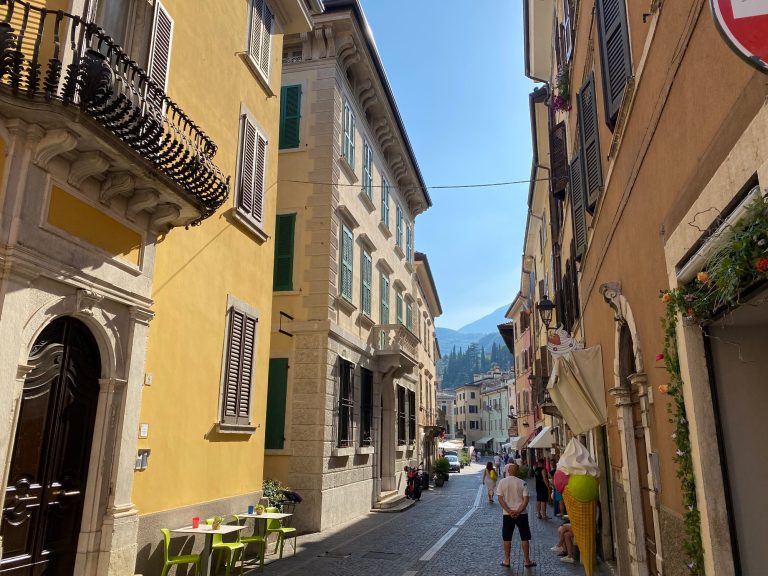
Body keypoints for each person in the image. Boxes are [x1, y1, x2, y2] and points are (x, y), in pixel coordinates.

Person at [497, 463, 536, 568]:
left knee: (507, 538)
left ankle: (506, 560)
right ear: (518, 471)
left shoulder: (502, 482)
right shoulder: (523, 483)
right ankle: (527, 561)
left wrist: (509, 511)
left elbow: (500, 499)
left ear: (508, 471)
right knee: (524, 537)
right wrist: (518, 511)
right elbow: (526, 500)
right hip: (522, 514)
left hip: (507, 514)